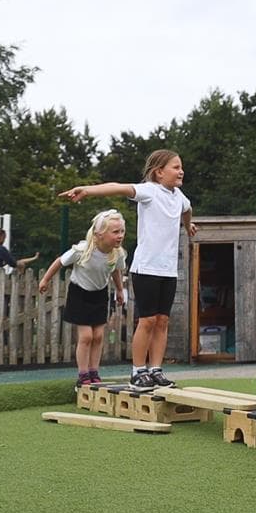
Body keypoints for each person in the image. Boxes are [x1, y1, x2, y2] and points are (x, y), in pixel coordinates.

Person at [60, 150, 197, 391]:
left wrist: (187, 226)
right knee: (147, 320)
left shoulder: (179, 197)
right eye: (175, 167)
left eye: (181, 166)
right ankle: (138, 371)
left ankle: (155, 370)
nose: (181, 171)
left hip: (168, 270)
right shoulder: (149, 191)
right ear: (159, 172)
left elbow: (187, 209)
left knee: (163, 321)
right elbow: (118, 187)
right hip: (146, 268)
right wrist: (87, 189)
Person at [37, 209, 127, 386]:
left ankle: (94, 371)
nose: (120, 236)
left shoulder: (117, 254)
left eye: (122, 231)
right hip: (80, 294)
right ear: (99, 234)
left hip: (100, 295)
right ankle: (83, 374)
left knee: (99, 336)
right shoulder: (82, 250)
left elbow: (115, 270)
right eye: (115, 232)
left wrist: (119, 290)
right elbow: (60, 262)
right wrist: (45, 279)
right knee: (86, 336)